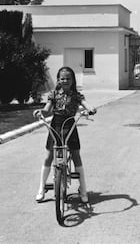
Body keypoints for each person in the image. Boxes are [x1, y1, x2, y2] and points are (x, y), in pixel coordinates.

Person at [33, 66, 96, 203]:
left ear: (73, 80)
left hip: (70, 125)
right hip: (56, 125)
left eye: (68, 78)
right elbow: (47, 109)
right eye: (62, 78)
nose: (65, 80)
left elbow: (86, 104)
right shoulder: (54, 94)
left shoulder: (76, 95)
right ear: (58, 80)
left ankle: (83, 189)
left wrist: (90, 109)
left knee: (75, 155)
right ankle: (41, 187)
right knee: (49, 156)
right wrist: (41, 112)